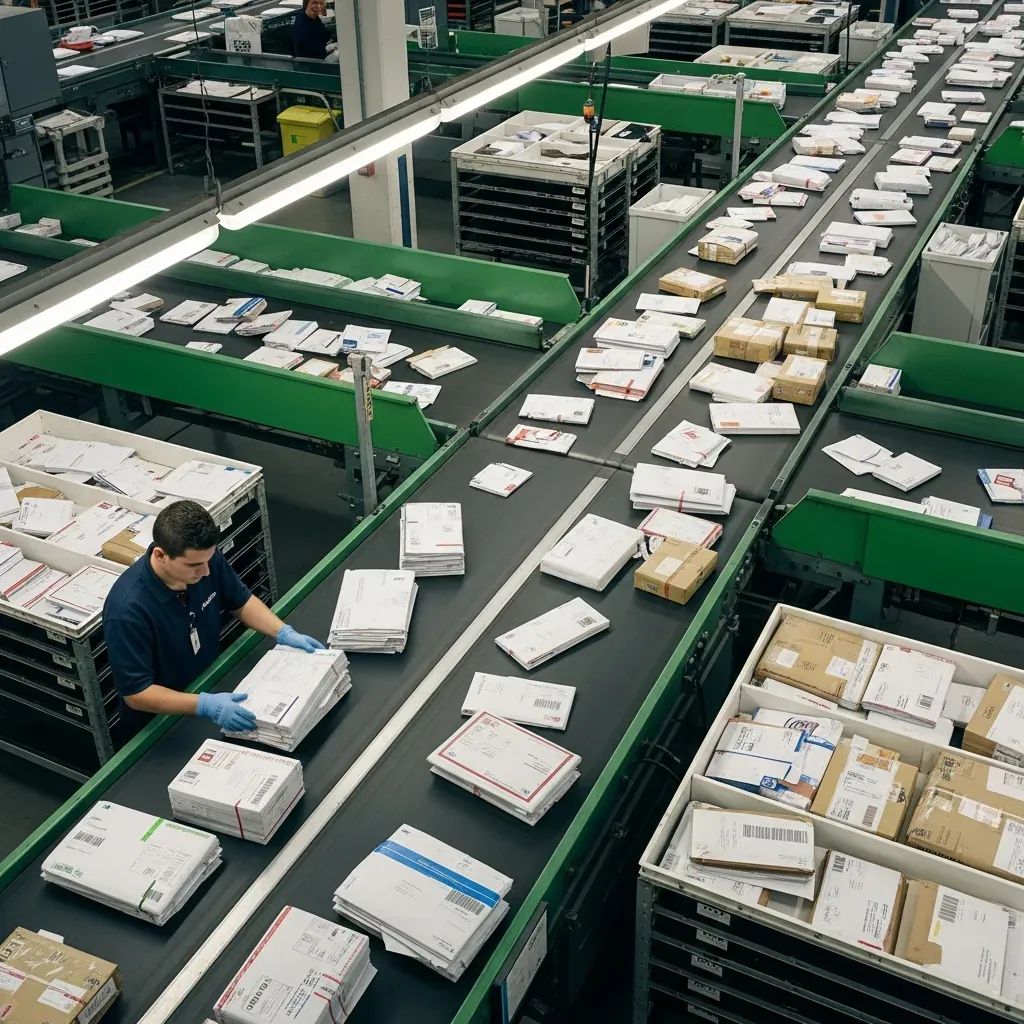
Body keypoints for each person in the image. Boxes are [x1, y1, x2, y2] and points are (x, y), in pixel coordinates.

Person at [103, 499, 325, 741]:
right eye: (195, 565)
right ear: (161, 555)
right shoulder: (127, 611)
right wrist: (205, 705)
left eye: (208, 561)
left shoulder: (204, 560)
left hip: (208, 686)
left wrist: (282, 632)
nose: (206, 572)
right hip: (161, 724)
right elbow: (137, 693)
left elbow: (240, 601)